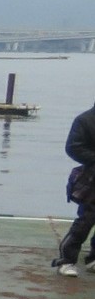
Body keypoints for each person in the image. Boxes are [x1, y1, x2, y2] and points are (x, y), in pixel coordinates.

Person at [53, 99, 95, 275]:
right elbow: (73, 147)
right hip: (92, 179)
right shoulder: (84, 120)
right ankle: (66, 260)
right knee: (85, 221)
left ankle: (93, 259)